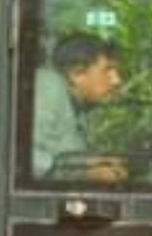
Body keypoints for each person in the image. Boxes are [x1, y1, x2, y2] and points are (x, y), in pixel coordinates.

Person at [33, 27, 131, 183]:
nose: (116, 80)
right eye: (108, 70)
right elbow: (22, 157)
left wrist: (95, 163)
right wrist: (83, 172)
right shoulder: (48, 89)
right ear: (77, 74)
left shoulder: (78, 105)